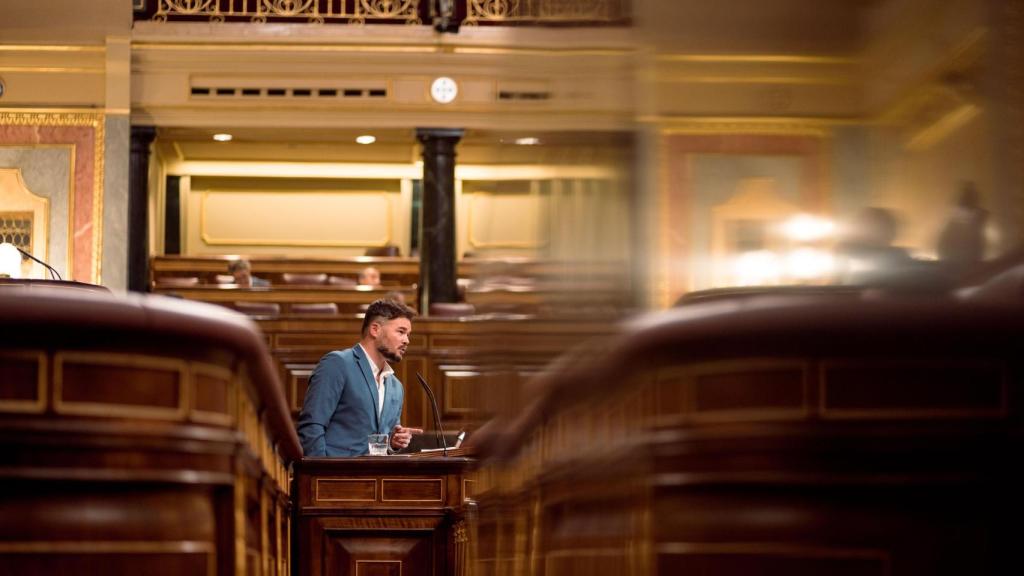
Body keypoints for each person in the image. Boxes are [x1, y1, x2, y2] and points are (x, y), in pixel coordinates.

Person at [297, 298, 422, 456]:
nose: (407, 340)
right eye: (401, 332)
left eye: (408, 334)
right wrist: (320, 474)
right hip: (333, 476)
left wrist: (392, 442)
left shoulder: (395, 386)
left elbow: (377, 441)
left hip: (374, 478)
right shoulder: (338, 364)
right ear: (375, 329)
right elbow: (312, 426)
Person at [937, 182, 987, 279]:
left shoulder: (974, 228)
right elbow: (943, 251)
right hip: (958, 272)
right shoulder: (954, 227)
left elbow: (978, 253)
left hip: (967, 273)